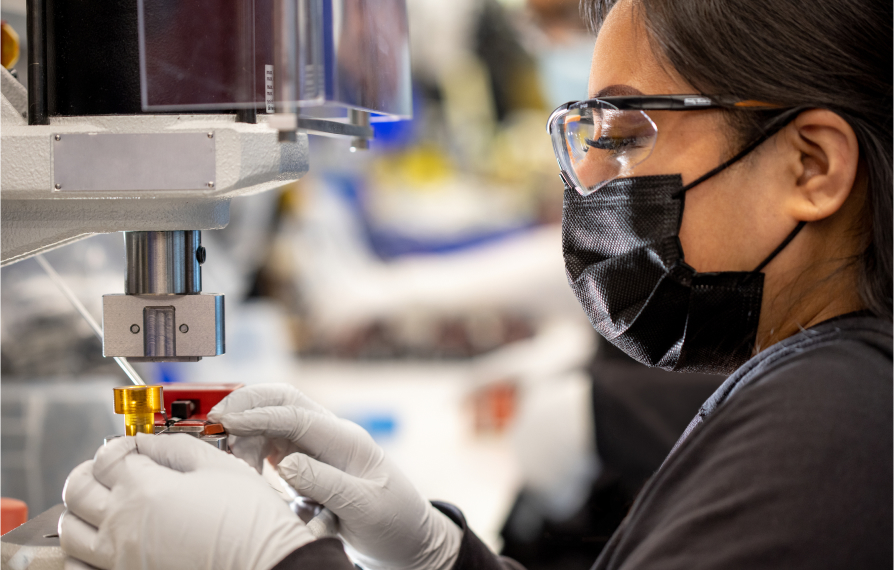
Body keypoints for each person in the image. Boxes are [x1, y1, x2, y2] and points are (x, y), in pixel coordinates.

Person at [59, 0, 891, 568]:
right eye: (590, 136)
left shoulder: (838, 424)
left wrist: (280, 563)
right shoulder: (819, 378)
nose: (593, 177)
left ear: (812, 167)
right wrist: (440, 555)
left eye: (629, 134)